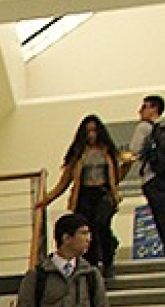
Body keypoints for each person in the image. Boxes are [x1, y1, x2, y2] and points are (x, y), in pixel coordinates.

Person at [37, 114, 122, 277]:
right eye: (88, 131)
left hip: (103, 193)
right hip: (84, 195)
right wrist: (46, 200)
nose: (91, 134)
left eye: (94, 131)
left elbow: (115, 178)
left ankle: (108, 259)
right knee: (85, 230)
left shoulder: (107, 152)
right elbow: (64, 182)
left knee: (101, 225)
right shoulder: (78, 154)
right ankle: (93, 264)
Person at [125, 93, 165, 257]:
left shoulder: (144, 127)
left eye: (144, 106)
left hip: (152, 177)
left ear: (154, 108)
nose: (140, 111)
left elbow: (135, 148)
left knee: (160, 215)